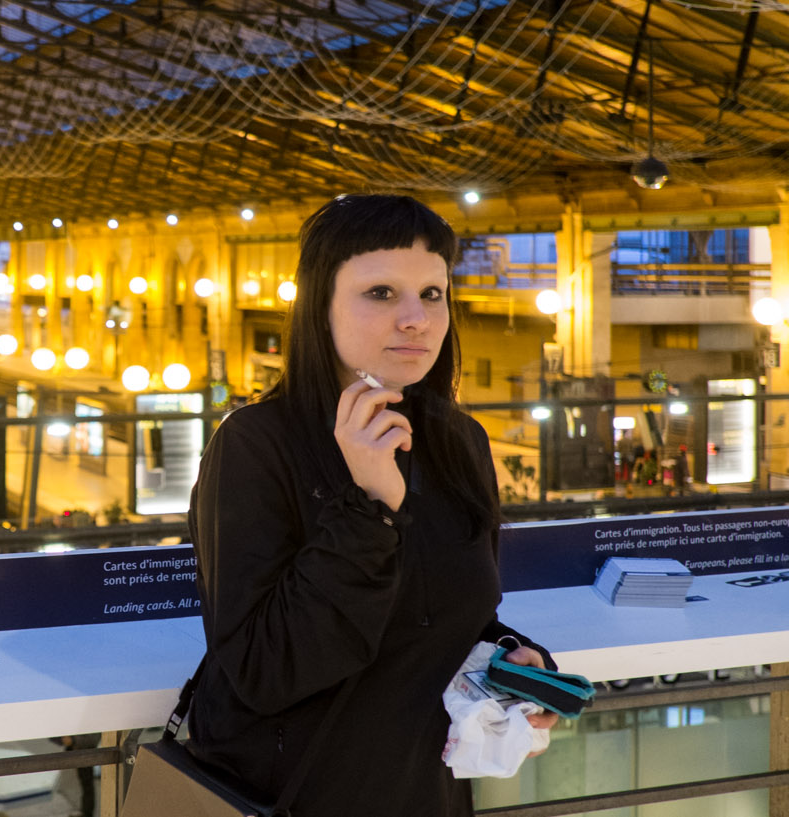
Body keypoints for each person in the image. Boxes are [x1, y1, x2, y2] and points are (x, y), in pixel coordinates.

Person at [184, 195, 557, 816]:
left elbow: (439, 614)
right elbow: (264, 671)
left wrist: (514, 658)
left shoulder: (458, 441)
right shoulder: (256, 445)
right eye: (380, 293)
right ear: (319, 308)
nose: (416, 318)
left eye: (432, 294)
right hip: (295, 793)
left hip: (422, 790)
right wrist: (370, 503)